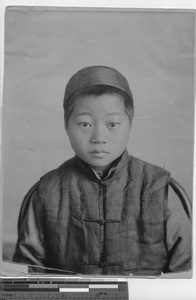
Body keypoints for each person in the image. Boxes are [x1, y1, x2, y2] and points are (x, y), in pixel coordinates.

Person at [13, 66, 191, 276]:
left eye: (113, 123)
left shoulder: (160, 188)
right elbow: (27, 273)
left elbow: (186, 273)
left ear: (130, 123)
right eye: (85, 123)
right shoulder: (47, 191)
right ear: (66, 125)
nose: (99, 136)